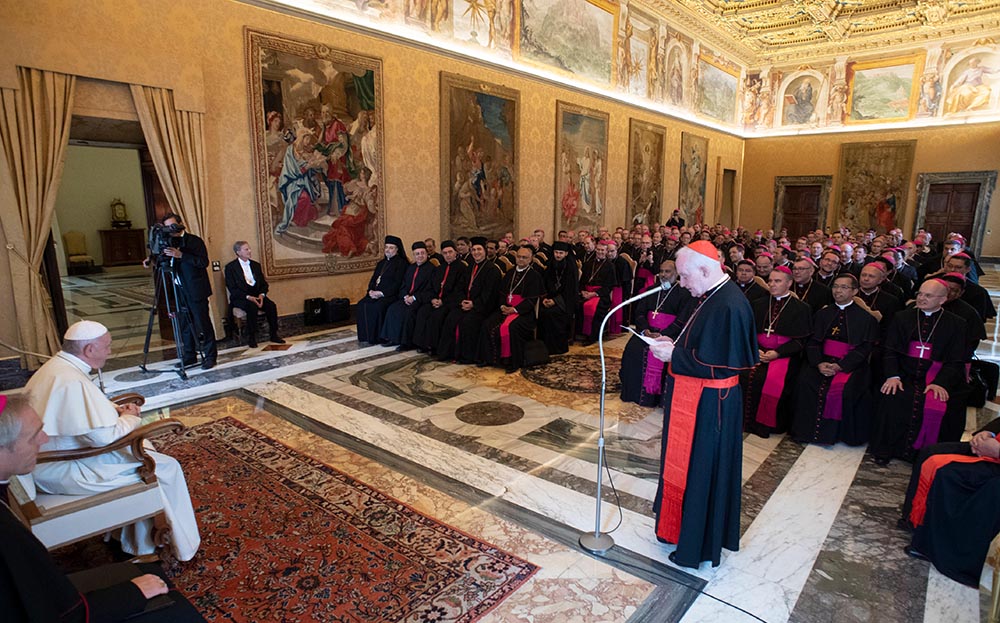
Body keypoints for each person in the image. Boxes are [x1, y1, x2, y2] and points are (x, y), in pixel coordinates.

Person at [0, 394, 206, 623]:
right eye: (32, 437)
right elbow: (63, 614)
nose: (45, 438)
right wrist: (132, 592)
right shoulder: (7, 536)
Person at [23, 321, 201, 561]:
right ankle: (173, 545)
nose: (109, 351)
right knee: (164, 466)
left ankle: (134, 539)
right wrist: (130, 417)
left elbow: (81, 414)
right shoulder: (71, 380)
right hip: (64, 468)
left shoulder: (57, 368)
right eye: (106, 346)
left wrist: (114, 410)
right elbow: (104, 438)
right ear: (89, 350)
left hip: (52, 460)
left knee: (142, 451)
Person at [648, 241, 757, 568]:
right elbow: (701, 343)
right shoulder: (709, 296)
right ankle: (677, 528)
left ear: (706, 270)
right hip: (694, 396)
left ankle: (697, 544)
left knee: (701, 470)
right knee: (685, 465)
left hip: (712, 404)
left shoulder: (729, 305)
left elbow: (726, 366)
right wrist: (674, 343)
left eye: (684, 276)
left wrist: (675, 356)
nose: (682, 283)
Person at [870, 279, 968, 465]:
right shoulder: (902, 317)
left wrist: (940, 382)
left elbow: (956, 360)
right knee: (892, 396)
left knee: (945, 403)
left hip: (936, 376)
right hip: (904, 374)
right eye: (920, 294)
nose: (921, 298)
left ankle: (927, 454)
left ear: (942, 300)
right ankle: (885, 449)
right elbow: (889, 350)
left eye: (928, 295)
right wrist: (893, 375)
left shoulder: (957, 324)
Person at [897, 423, 1000, 587]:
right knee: (930, 452)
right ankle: (916, 522)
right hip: (994, 449)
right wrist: (987, 434)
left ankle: (945, 553)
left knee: (949, 474)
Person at [791, 274, 879, 446]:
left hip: (849, 365)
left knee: (846, 391)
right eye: (835, 286)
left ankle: (837, 434)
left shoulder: (865, 319)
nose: (838, 290)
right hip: (822, 361)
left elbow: (865, 348)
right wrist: (818, 363)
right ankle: (804, 432)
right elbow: (813, 341)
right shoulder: (822, 314)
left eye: (844, 287)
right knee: (805, 383)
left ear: (855, 291)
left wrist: (841, 365)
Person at [742, 267, 812, 438]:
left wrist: (778, 353)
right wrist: (755, 349)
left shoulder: (801, 308)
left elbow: (800, 341)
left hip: (784, 356)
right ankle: (743, 421)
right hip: (757, 351)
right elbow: (747, 331)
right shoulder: (758, 303)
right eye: (770, 281)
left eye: (777, 281)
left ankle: (765, 425)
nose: (772, 284)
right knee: (743, 375)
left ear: (789, 283)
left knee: (771, 380)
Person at [619, 260, 690, 407]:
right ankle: (632, 394)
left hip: (670, 334)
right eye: (661, 271)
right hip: (648, 332)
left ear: (676, 273)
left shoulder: (685, 293)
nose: (663, 275)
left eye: (667, 271)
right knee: (632, 350)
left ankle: (657, 399)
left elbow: (683, 319)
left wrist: (663, 334)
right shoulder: (652, 289)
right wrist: (645, 330)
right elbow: (639, 313)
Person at [158, 213, 217, 369]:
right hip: (179, 290)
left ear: (180, 224)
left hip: (196, 289)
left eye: (173, 225)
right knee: (184, 324)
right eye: (167, 227)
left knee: (202, 322)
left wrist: (181, 255)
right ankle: (190, 355)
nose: (171, 229)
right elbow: (164, 261)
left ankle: (210, 356)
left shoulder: (194, 241)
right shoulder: (168, 242)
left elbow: (203, 262)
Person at [478, 246, 544, 373]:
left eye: (524, 257)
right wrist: (503, 305)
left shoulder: (534, 276)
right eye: (519, 257)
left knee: (512, 327)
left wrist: (514, 310)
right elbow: (502, 293)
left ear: (531, 259)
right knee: (487, 324)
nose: (521, 259)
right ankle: (489, 359)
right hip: (505, 309)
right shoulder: (509, 273)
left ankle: (511, 362)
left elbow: (531, 301)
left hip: (523, 313)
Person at [437, 237, 503, 363]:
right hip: (466, 304)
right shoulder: (469, 267)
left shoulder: (492, 270)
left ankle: (467, 356)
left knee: (468, 322)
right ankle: (449, 353)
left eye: (479, 249)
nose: (476, 252)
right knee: (451, 317)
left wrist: (474, 304)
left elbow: (489, 295)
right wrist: (462, 300)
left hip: (483, 307)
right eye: (473, 250)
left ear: (484, 251)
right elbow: (460, 287)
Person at [224, 241, 284, 348]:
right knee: (251, 306)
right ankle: (251, 337)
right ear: (238, 252)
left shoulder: (256, 265)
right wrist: (248, 297)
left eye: (249, 249)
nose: (249, 251)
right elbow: (232, 288)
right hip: (241, 297)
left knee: (271, 306)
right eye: (246, 249)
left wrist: (262, 295)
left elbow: (264, 284)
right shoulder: (230, 268)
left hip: (257, 294)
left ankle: (274, 334)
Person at [412, 240, 466, 355]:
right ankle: (421, 343)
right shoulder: (439, 268)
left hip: (450, 302)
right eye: (445, 253)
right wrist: (432, 299)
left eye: (450, 252)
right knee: (423, 311)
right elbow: (431, 287)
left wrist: (443, 301)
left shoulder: (462, 268)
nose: (448, 255)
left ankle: (434, 346)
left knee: (437, 316)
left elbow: (459, 290)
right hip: (436, 300)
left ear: (455, 252)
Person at [380, 241, 434, 349]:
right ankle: (392, 338)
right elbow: (403, 284)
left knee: (409, 312)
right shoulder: (411, 268)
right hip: (407, 298)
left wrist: (414, 298)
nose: (420, 256)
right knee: (393, 309)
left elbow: (431, 290)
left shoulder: (432, 269)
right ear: (414, 255)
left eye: (422, 253)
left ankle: (406, 343)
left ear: (427, 254)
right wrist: (405, 296)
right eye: (417, 254)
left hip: (420, 300)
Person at [356, 235, 408, 344]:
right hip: (375, 293)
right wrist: (370, 291)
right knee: (361, 304)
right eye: (386, 247)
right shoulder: (381, 263)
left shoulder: (402, 264)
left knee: (377, 307)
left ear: (397, 250)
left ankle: (378, 337)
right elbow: (373, 279)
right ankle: (366, 336)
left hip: (390, 295)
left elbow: (397, 284)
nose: (388, 250)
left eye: (391, 248)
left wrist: (381, 293)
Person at [537, 241, 579, 355]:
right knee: (542, 312)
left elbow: (571, 290)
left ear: (566, 253)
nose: (558, 255)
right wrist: (544, 298)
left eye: (561, 253)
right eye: (556, 252)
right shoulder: (550, 264)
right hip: (550, 298)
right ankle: (543, 347)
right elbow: (544, 284)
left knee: (553, 313)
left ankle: (557, 348)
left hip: (565, 301)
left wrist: (555, 301)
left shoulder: (571, 267)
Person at [577, 241, 618, 345]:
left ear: (606, 251)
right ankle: (580, 332)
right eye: (598, 250)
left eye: (602, 250)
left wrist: (594, 294)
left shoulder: (610, 266)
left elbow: (608, 287)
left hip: (601, 296)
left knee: (594, 308)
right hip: (587, 293)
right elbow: (582, 282)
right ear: (595, 249)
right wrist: (583, 291)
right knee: (577, 304)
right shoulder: (588, 264)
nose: (600, 252)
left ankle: (592, 336)